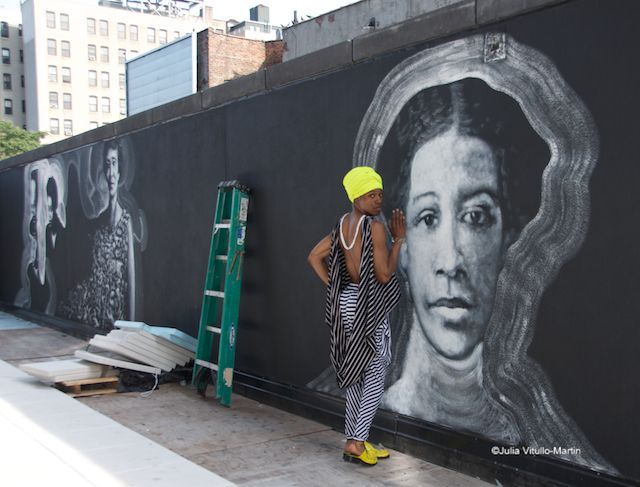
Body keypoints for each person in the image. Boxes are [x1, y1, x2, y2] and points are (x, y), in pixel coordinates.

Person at [307, 166, 405, 466]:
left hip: (347, 304)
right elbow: (385, 274)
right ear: (356, 196)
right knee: (375, 372)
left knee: (354, 373)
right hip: (368, 306)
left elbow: (313, 257)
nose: (378, 200)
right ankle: (357, 442)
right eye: (370, 194)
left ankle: (355, 439)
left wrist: (337, 289)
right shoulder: (373, 228)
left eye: (379, 194)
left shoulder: (341, 226)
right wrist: (399, 239)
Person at [61, 140, 135, 329]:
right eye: (107, 164)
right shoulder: (99, 224)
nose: (111, 173)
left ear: (121, 169)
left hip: (117, 323)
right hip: (96, 320)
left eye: (114, 163)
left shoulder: (126, 222)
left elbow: (132, 288)